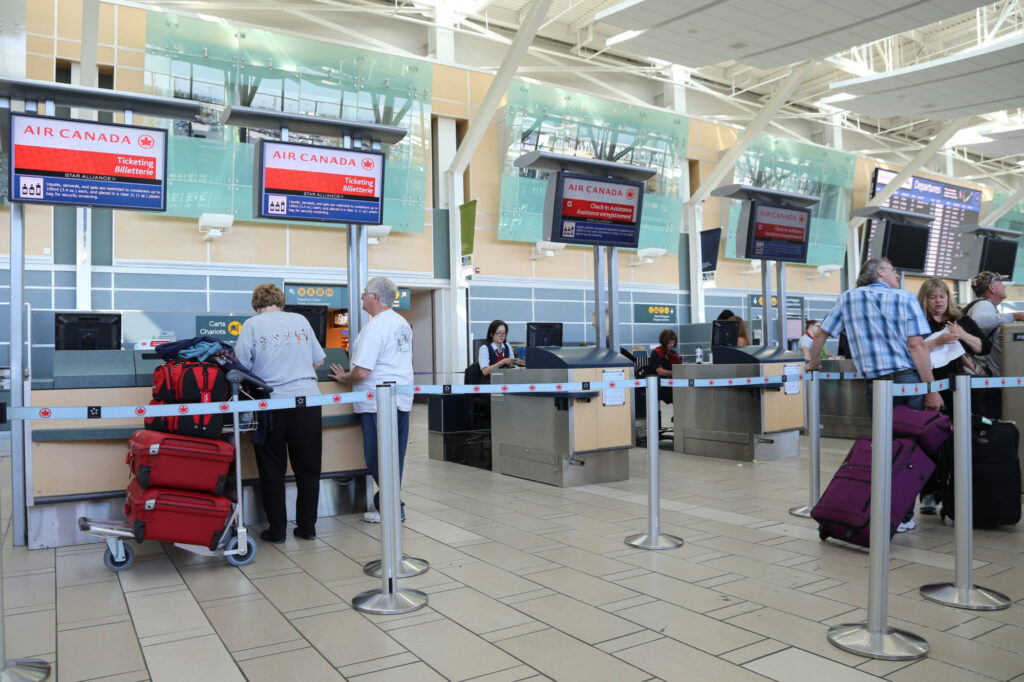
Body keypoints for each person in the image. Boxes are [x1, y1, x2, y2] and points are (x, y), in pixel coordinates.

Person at [808, 258, 940, 533]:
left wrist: (814, 364)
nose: (897, 276)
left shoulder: (847, 298)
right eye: (894, 270)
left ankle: (879, 510)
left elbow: (819, 335)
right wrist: (932, 389)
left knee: (884, 450)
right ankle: (903, 516)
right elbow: (917, 345)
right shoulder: (904, 298)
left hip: (875, 385)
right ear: (879, 272)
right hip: (908, 382)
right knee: (909, 450)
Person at [234, 283, 325, 543]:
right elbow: (318, 361)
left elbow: (242, 366)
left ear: (256, 305)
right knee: (308, 468)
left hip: (271, 404)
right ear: (281, 303)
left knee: (272, 469)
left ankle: (277, 531)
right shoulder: (300, 320)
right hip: (307, 402)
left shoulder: (252, 325)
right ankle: (307, 527)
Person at [329, 276, 413, 523]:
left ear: (375, 297)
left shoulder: (375, 327)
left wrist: (344, 377)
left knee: (377, 457)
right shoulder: (402, 323)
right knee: (393, 457)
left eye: (365, 293)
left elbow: (362, 371)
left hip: (378, 403)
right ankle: (390, 506)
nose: (362, 297)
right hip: (401, 398)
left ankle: (392, 508)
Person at [916, 278, 990, 515]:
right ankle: (929, 492)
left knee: (964, 440)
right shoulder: (918, 322)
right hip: (933, 389)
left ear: (949, 298)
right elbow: (909, 353)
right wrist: (937, 342)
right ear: (925, 300)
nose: (938, 301)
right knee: (932, 441)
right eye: (933, 297)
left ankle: (956, 491)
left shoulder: (961, 320)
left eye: (942, 296)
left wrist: (962, 335)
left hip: (965, 389)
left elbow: (983, 347)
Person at [964, 271, 1024, 419]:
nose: (1004, 285)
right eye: (1000, 282)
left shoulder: (985, 305)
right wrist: (1015, 316)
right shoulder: (984, 304)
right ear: (992, 288)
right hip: (989, 377)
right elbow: (979, 322)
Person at [648, 328, 681, 404]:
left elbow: (679, 367)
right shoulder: (656, 353)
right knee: (683, 396)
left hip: (672, 384)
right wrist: (675, 372)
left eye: (673, 342)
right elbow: (660, 371)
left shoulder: (673, 353)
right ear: (664, 342)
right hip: (661, 387)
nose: (672, 345)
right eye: (670, 343)